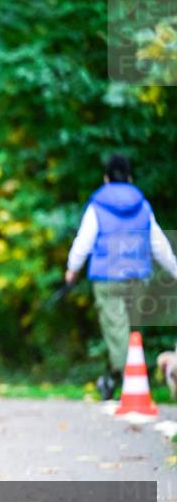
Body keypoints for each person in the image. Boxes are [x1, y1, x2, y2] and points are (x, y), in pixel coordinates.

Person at [65, 154, 177, 400]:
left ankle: (129, 384)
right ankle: (118, 381)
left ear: (106, 179)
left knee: (118, 332)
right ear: (130, 177)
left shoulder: (98, 207)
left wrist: (72, 269)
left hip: (107, 278)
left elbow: (83, 241)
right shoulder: (143, 206)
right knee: (130, 333)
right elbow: (158, 244)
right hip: (138, 278)